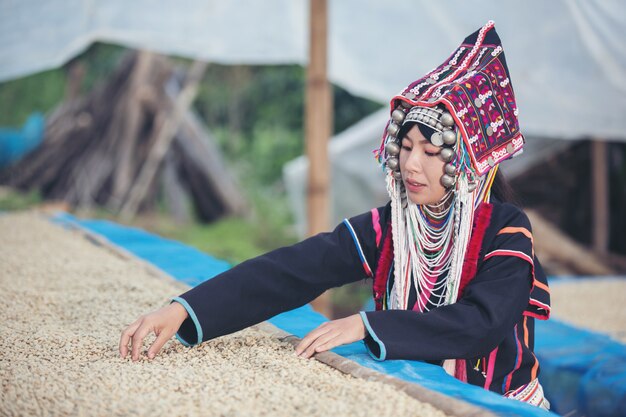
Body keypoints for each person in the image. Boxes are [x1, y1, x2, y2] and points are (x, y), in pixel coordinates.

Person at [120, 21, 551, 409]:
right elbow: (290, 271)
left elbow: (483, 323)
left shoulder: (505, 231)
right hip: (415, 399)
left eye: (432, 152)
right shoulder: (392, 227)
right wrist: (183, 310)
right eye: (405, 147)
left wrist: (366, 325)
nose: (411, 165)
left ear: (471, 160)